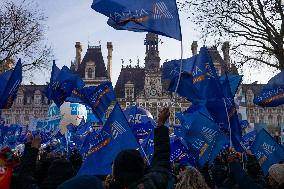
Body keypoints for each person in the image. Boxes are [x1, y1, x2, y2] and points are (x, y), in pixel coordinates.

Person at [107, 107, 171, 189]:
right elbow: (161, 159)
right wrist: (161, 124)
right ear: (142, 167)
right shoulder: (151, 184)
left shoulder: (107, 185)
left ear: (116, 172)